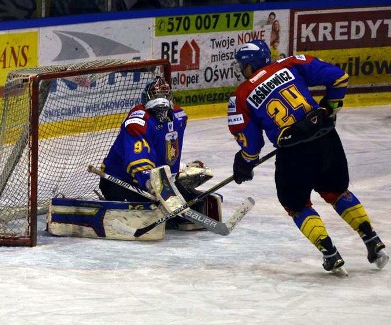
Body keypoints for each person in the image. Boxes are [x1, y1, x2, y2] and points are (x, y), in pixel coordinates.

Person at [228, 39, 389, 275]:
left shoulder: (241, 96)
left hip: (294, 153)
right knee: (336, 192)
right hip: (326, 139)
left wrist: (244, 163)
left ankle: (330, 254)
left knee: (296, 205)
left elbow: (252, 147)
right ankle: (373, 241)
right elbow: (339, 78)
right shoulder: (291, 63)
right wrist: (330, 107)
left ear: (249, 66)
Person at [99, 77, 218, 230]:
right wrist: (150, 182)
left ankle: (175, 213)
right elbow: (137, 160)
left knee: (192, 200)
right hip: (121, 182)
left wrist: (175, 171)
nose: (161, 111)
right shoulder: (138, 121)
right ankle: (170, 216)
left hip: (158, 181)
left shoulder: (177, 117)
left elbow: (165, 150)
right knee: (158, 206)